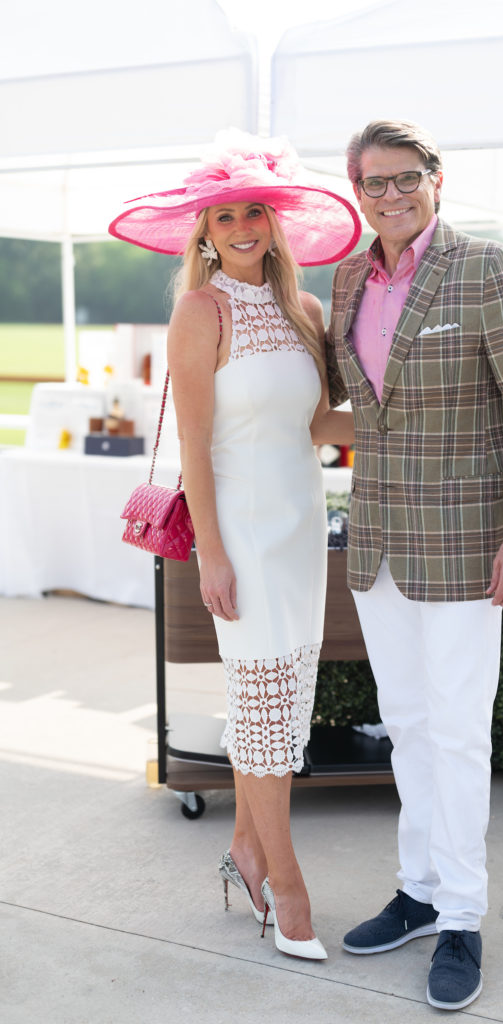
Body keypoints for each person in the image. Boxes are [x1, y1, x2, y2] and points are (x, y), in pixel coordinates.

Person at [325, 120, 503, 1010]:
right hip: (381, 543)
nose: (389, 197)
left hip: (471, 548)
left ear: (436, 178)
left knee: (460, 735)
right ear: (356, 191)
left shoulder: (487, 268)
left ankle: (461, 916)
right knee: (410, 726)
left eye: (404, 179)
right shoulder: (349, 276)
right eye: (372, 184)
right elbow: (353, 409)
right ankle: (418, 891)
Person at [109, 133, 360, 960]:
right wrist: (210, 553)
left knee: (283, 707)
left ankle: (248, 852)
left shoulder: (307, 311)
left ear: (275, 221)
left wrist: (411, 419)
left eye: (256, 210)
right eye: (226, 215)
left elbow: (319, 426)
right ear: (205, 230)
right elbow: (196, 446)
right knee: (258, 712)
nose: (244, 226)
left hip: (299, 529)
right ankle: (285, 882)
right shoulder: (199, 311)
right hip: (242, 541)